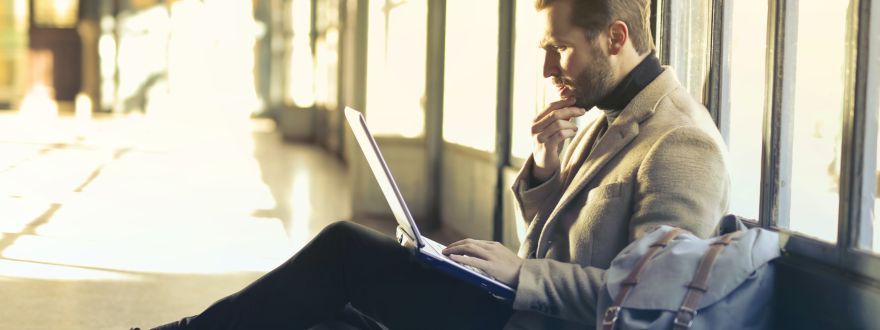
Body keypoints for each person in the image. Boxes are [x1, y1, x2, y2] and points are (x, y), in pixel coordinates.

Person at [140, 0, 729, 328]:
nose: (550, 70)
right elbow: (569, 243)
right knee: (336, 318)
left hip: (526, 323)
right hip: (516, 313)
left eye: (560, 50)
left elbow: (651, 303)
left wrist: (519, 274)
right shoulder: (604, 113)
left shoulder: (681, 143)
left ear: (615, 37)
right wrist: (547, 171)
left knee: (346, 247)